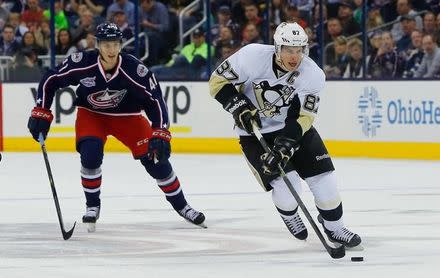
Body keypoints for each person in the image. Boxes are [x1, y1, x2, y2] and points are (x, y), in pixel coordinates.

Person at [27, 22, 206, 232]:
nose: (111, 50)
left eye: (115, 45)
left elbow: (155, 100)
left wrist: (161, 131)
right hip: (92, 115)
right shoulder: (83, 63)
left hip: (129, 118)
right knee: (90, 154)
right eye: (106, 45)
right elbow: (51, 79)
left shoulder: (134, 70)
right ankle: (92, 206)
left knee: (156, 160)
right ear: (98, 45)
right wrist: (42, 110)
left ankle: (183, 207)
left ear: (120, 45)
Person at [208, 22, 361, 248]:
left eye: (299, 50)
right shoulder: (252, 56)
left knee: (325, 181)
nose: (294, 56)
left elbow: (303, 117)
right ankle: (289, 214)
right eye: (289, 49)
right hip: (255, 134)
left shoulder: (313, 75)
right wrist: (239, 106)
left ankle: (335, 227)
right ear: (277, 48)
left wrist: (285, 146)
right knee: (288, 187)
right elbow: (217, 81)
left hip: (294, 130)